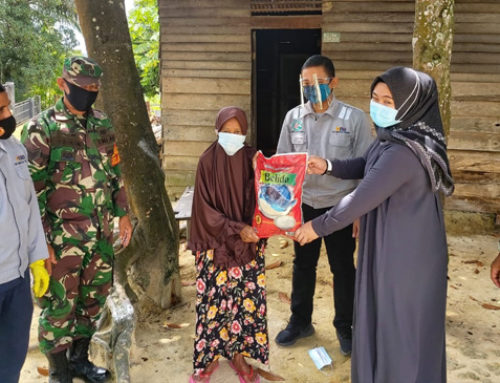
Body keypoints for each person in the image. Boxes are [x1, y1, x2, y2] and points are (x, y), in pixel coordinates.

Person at [296, 66, 454, 383]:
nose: (379, 106)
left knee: (401, 332)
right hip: (395, 245)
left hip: (408, 257)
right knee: (386, 323)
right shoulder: (391, 139)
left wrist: (317, 227)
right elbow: (364, 165)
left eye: (389, 100)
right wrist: (326, 165)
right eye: (375, 98)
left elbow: (360, 200)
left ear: (411, 104)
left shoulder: (404, 153)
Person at [21, 57, 133, 383]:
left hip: (100, 235)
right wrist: (40, 243)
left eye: (94, 88)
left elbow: (115, 172)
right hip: (60, 240)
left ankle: (79, 360)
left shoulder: (103, 124)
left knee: (92, 301)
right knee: (59, 309)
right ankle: (60, 374)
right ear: (63, 84)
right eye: (83, 88)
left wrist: (123, 214)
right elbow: (31, 192)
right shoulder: (42, 129)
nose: (89, 93)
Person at [275, 54, 373, 355]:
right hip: (304, 206)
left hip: (340, 207)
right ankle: (300, 321)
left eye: (318, 82)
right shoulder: (292, 118)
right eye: (306, 83)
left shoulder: (354, 119)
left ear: (334, 82)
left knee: (343, 268)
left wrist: (359, 213)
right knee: (303, 265)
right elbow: (282, 167)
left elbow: (366, 169)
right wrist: (283, 211)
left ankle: (346, 326)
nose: (312, 87)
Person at [188, 107, 267, 383]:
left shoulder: (252, 159)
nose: (233, 136)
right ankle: (208, 360)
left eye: (238, 132)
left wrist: (259, 227)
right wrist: (236, 228)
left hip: (247, 246)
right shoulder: (207, 161)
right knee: (213, 302)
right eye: (227, 131)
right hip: (214, 244)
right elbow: (205, 211)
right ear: (217, 130)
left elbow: (266, 197)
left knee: (243, 303)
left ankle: (238, 356)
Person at [0, 83, 50, 383]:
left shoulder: (15, 150)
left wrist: (37, 259)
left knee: (11, 361)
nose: (8, 116)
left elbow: (29, 209)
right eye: (1, 110)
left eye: (8, 108)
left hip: (18, 282)